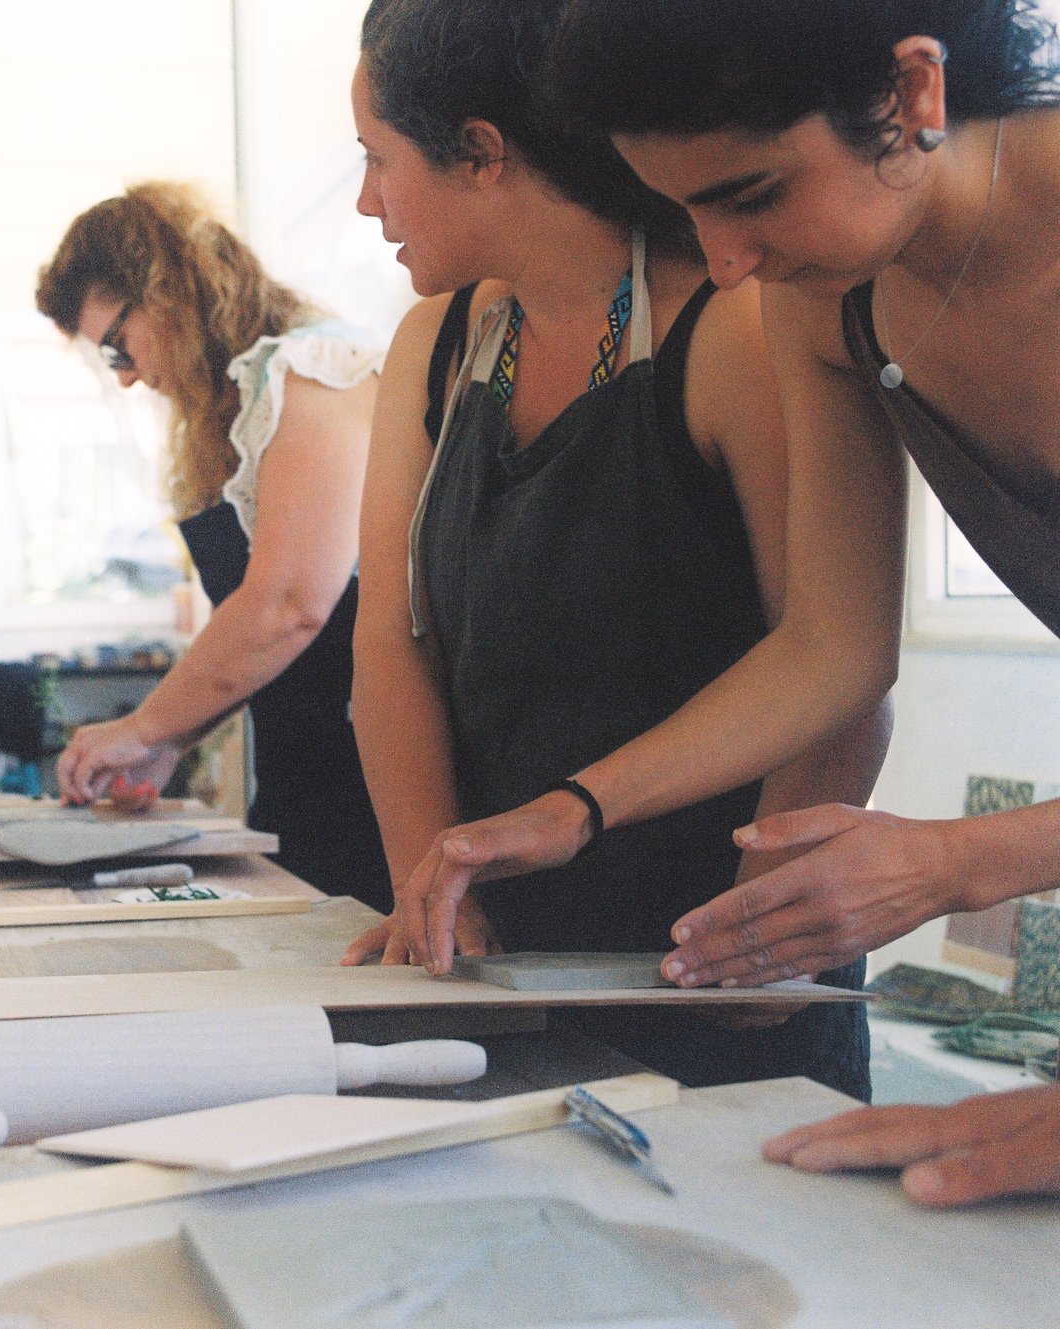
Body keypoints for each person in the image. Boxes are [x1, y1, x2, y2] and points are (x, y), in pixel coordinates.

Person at [402, 0, 1060, 1204]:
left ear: (914, 95)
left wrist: (961, 860)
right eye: (688, 206)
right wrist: (577, 807)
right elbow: (832, 647)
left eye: (751, 194)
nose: (724, 263)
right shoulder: (836, 296)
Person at [337, 0, 891, 1098]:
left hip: (708, 964)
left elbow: (836, 669)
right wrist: (436, 886)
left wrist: (747, 935)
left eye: (378, 159)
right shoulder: (438, 344)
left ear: (483, 153)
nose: (366, 202)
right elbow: (391, 644)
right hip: (503, 957)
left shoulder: (736, 328)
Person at [34, 183, 393, 912]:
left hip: (381, 790)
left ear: (167, 291)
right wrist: (173, 736)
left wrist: (143, 723)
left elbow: (291, 604)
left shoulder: (316, 371)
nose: (127, 376)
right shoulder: (245, 400)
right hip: (307, 781)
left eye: (116, 346)